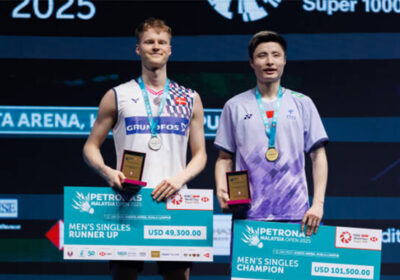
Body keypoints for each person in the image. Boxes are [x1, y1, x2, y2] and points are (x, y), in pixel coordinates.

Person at [83, 17, 207, 280]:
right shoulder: (117, 95)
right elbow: (90, 147)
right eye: (149, 41)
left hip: (175, 202)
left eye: (162, 42)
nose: (156, 46)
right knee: (124, 277)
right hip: (128, 202)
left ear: (170, 49)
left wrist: (179, 179)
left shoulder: (189, 98)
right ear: (138, 48)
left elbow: (200, 155)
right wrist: (107, 172)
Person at [214, 31, 328, 236]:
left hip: (296, 215)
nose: (269, 61)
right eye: (262, 55)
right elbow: (224, 158)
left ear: (284, 60)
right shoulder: (234, 105)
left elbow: (318, 155)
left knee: (293, 269)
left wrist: (317, 204)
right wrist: (222, 190)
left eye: (276, 55)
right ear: (251, 62)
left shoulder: (302, 102)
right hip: (247, 216)